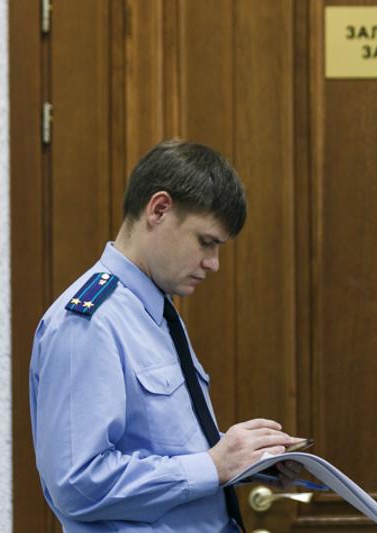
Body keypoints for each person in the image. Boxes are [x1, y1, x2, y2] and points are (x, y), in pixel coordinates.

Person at [29, 139, 303, 532]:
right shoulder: (90, 322)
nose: (213, 263)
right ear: (159, 209)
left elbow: (160, 445)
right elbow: (77, 484)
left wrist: (247, 459)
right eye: (205, 242)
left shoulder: (154, 311)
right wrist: (213, 465)